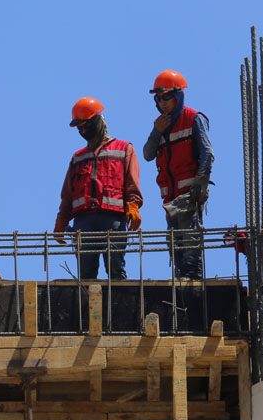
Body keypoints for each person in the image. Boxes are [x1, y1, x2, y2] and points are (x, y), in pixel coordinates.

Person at [53, 97, 142, 279]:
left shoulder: (124, 149)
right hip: (84, 223)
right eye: (79, 129)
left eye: (86, 125)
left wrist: (133, 206)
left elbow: (132, 182)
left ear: (98, 121)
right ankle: (86, 307)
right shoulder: (77, 158)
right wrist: (61, 220)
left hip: (113, 220)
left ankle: (119, 304)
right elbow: (68, 195)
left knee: (116, 271)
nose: (83, 131)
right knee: (86, 275)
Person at [143, 70, 215, 280]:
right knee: (174, 241)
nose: (163, 102)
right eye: (159, 98)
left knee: (190, 237)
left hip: (189, 193)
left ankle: (192, 278)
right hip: (170, 198)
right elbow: (148, 154)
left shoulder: (193, 119)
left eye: (167, 96)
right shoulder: (161, 126)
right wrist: (156, 132)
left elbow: (207, 153)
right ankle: (183, 277)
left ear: (178, 96)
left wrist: (201, 183)